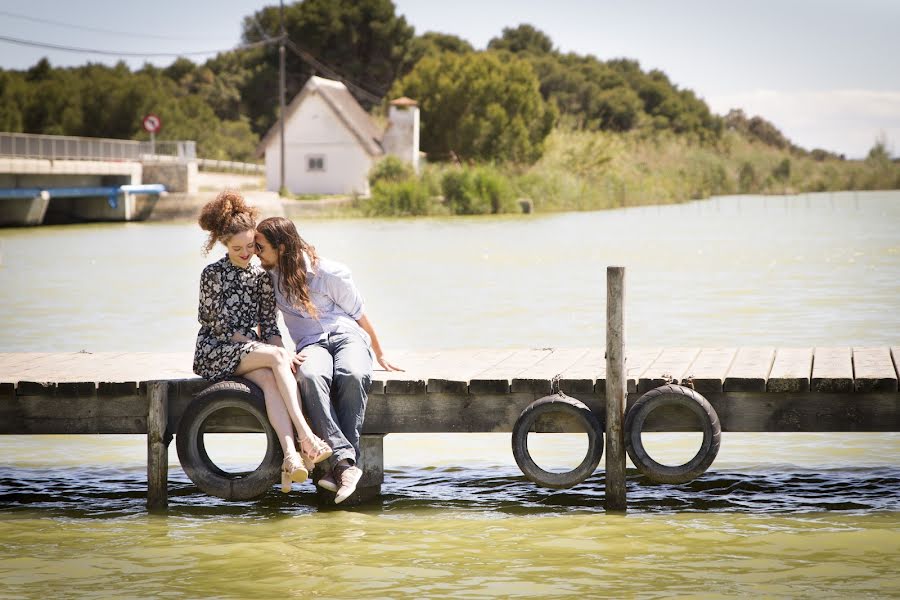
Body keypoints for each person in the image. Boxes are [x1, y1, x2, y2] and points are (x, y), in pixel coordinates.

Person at [254, 216, 402, 504]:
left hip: (348, 337)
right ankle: (346, 466)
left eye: (261, 248)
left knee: (353, 375)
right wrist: (278, 353)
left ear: (281, 247)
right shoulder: (267, 280)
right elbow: (265, 325)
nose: (257, 254)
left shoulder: (330, 273)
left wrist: (380, 354)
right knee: (309, 377)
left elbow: (359, 315)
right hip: (310, 344)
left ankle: (338, 465)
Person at [192, 191, 332, 494]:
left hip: (253, 353)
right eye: (237, 248)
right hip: (216, 350)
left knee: (274, 376)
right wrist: (270, 351)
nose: (245, 253)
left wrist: (280, 351)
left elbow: (270, 326)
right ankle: (306, 437)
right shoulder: (212, 274)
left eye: (251, 247)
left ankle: (291, 456)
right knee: (277, 359)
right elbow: (217, 326)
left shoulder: (261, 276)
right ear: (224, 244)